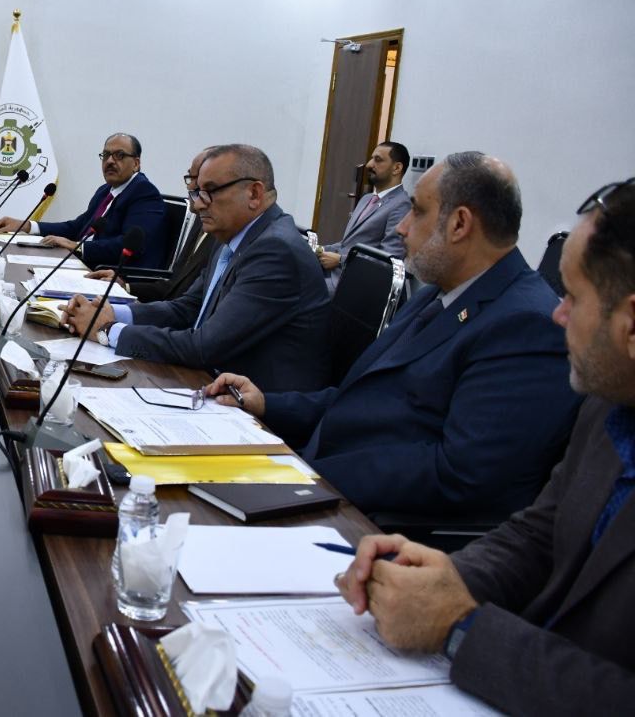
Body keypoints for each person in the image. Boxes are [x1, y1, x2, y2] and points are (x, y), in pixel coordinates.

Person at [333, 177, 635, 713]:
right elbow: (541, 533)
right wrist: (444, 578)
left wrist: (459, 627)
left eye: (572, 297)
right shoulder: (611, 400)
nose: (558, 314)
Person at [207, 151, 579, 520]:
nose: (401, 227)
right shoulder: (441, 292)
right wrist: (266, 404)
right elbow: (362, 398)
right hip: (323, 477)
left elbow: (459, 473)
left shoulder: (526, 325)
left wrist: (311, 476)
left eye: (416, 211)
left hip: (373, 520)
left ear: (459, 224)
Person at [64, 144, 329, 391]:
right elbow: (186, 308)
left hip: (257, 408)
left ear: (254, 194)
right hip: (209, 381)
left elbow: (205, 346)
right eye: (197, 192)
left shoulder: (275, 251)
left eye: (210, 191)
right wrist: (112, 312)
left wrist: (107, 330)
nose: (199, 203)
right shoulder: (231, 237)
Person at [0, 132, 166, 270]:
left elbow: (129, 246)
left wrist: (78, 247)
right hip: (80, 264)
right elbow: (77, 227)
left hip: (106, 274)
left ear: (136, 163)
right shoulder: (105, 190)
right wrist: (27, 226)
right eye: (106, 155)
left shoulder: (144, 192)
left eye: (119, 155)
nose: (110, 161)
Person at [85, 149, 220, 302]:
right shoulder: (200, 221)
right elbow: (172, 285)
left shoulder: (222, 235)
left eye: (197, 180)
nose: (190, 187)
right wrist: (125, 286)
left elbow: (187, 304)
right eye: (190, 178)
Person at [318, 141, 411, 294]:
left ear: (397, 168)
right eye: (371, 159)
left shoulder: (401, 205)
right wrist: (320, 249)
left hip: (353, 284)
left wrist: (340, 260)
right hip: (333, 275)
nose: (369, 164)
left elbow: (389, 260)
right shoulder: (367, 199)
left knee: (299, 289)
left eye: (378, 160)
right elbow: (347, 244)